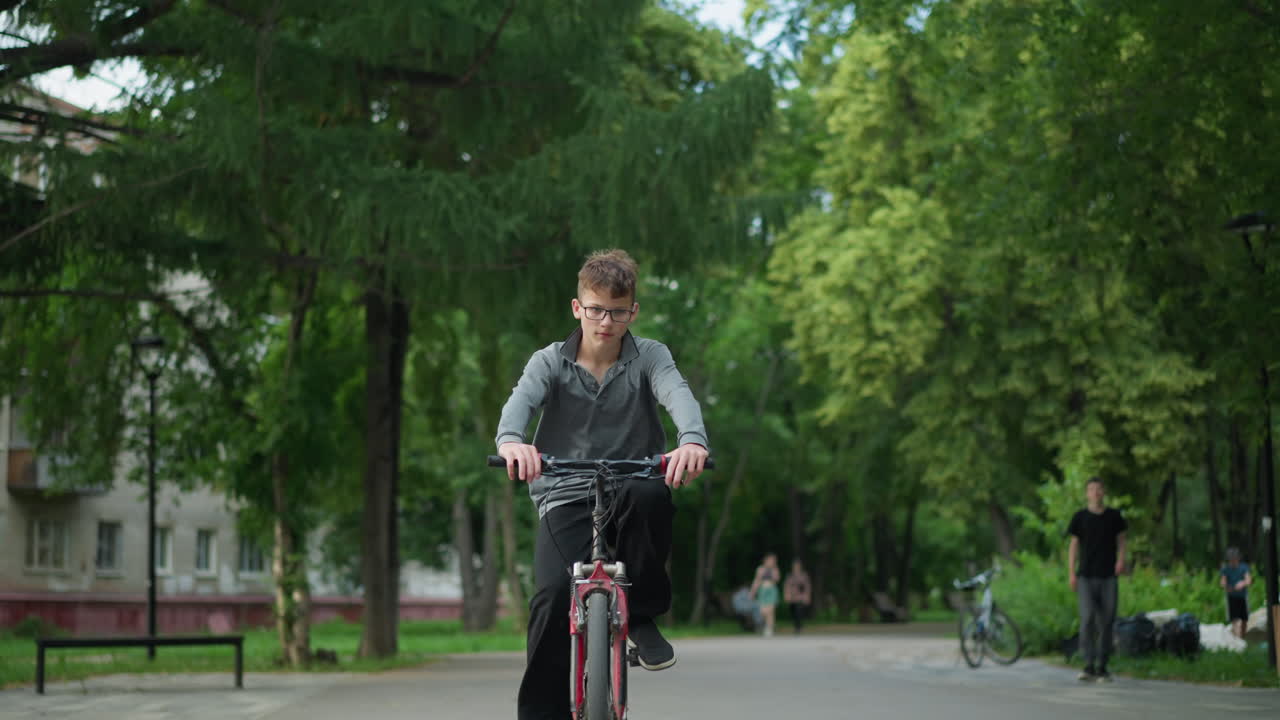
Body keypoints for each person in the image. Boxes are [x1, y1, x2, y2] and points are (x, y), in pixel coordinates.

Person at [495, 249, 710, 720]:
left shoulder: (650, 356)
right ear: (578, 308)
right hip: (564, 491)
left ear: (633, 311)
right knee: (552, 597)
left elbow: (679, 395)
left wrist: (691, 441)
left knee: (653, 492)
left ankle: (644, 615)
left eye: (616, 311)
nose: (605, 321)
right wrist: (513, 443)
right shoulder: (549, 361)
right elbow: (518, 407)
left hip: (632, 483)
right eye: (595, 309)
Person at [1067, 476, 1127, 683]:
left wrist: (1121, 560)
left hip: (1109, 576)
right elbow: (1074, 545)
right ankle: (1088, 664)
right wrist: (1071, 572)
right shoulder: (1080, 517)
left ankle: (1103, 666)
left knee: (1107, 620)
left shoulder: (1114, 516)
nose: (1095, 493)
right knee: (1087, 619)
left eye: (1099, 489)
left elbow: (1121, 540)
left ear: (1104, 492)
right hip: (1085, 576)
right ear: (1087, 493)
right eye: (1091, 489)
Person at [1219, 547, 1253, 639]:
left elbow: (1248, 580)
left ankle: (1243, 638)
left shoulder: (1244, 567)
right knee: (1234, 619)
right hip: (1231, 596)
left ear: (1238, 558)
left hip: (1242, 596)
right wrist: (1226, 586)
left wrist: (1242, 583)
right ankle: (1236, 639)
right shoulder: (1225, 569)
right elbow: (1222, 582)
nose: (1232, 561)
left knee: (1244, 619)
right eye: (1230, 559)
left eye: (1234, 558)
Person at [751, 552, 782, 637]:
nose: (771, 562)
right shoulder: (760, 569)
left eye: (773, 561)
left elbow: (777, 579)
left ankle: (769, 628)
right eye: (770, 560)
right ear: (765, 560)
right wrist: (753, 591)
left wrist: (773, 570)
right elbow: (757, 581)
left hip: (771, 590)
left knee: (771, 610)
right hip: (763, 591)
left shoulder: (775, 569)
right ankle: (766, 625)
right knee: (763, 611)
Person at [783, 558, 812, 634]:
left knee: (798, 611)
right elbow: (787, 585)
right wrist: (786, 594)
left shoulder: (804, 575)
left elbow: (807, 586)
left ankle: (798, 627)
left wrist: (807, 595)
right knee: (793, 611)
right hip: (792, 597)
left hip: (800, 597)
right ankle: (796, 626)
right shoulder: (790, 575)